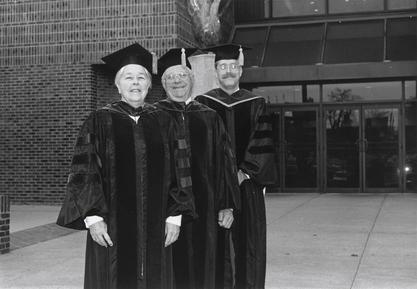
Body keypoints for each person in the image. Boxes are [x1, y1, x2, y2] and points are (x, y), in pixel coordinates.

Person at [56, 43, 196, 289]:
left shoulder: (165, 122)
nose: (135, 83)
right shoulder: (99, 120)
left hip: (158, 222)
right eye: (128, 77)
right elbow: (84, 171)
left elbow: (180, 170)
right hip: (111, 224)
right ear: (118, 85)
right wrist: (93, 216)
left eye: (141, 77)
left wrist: (175, 215)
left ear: (149, 85)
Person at [155, 48, 240, 289]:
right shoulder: (154, 117)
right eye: (170, 78)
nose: (177, 81)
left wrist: (227, 205)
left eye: (182, 76)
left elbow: (225, 163)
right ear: (163, 85)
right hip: (168, 209)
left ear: (192, 81)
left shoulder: (209, 117)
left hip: (208, 206)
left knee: (208, 264)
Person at [195, 44, 278, 289]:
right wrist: (220, 177)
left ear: (240, 70)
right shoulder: (203, 102)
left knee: (248, 246)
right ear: (216, 71)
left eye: (233, 66)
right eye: (223, 67)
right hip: (215, 189)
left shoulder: (257, 102)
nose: (228, 71)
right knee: (216, 246)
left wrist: (243, 173)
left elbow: (261, 143)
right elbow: (201, 147)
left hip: (247, 188)